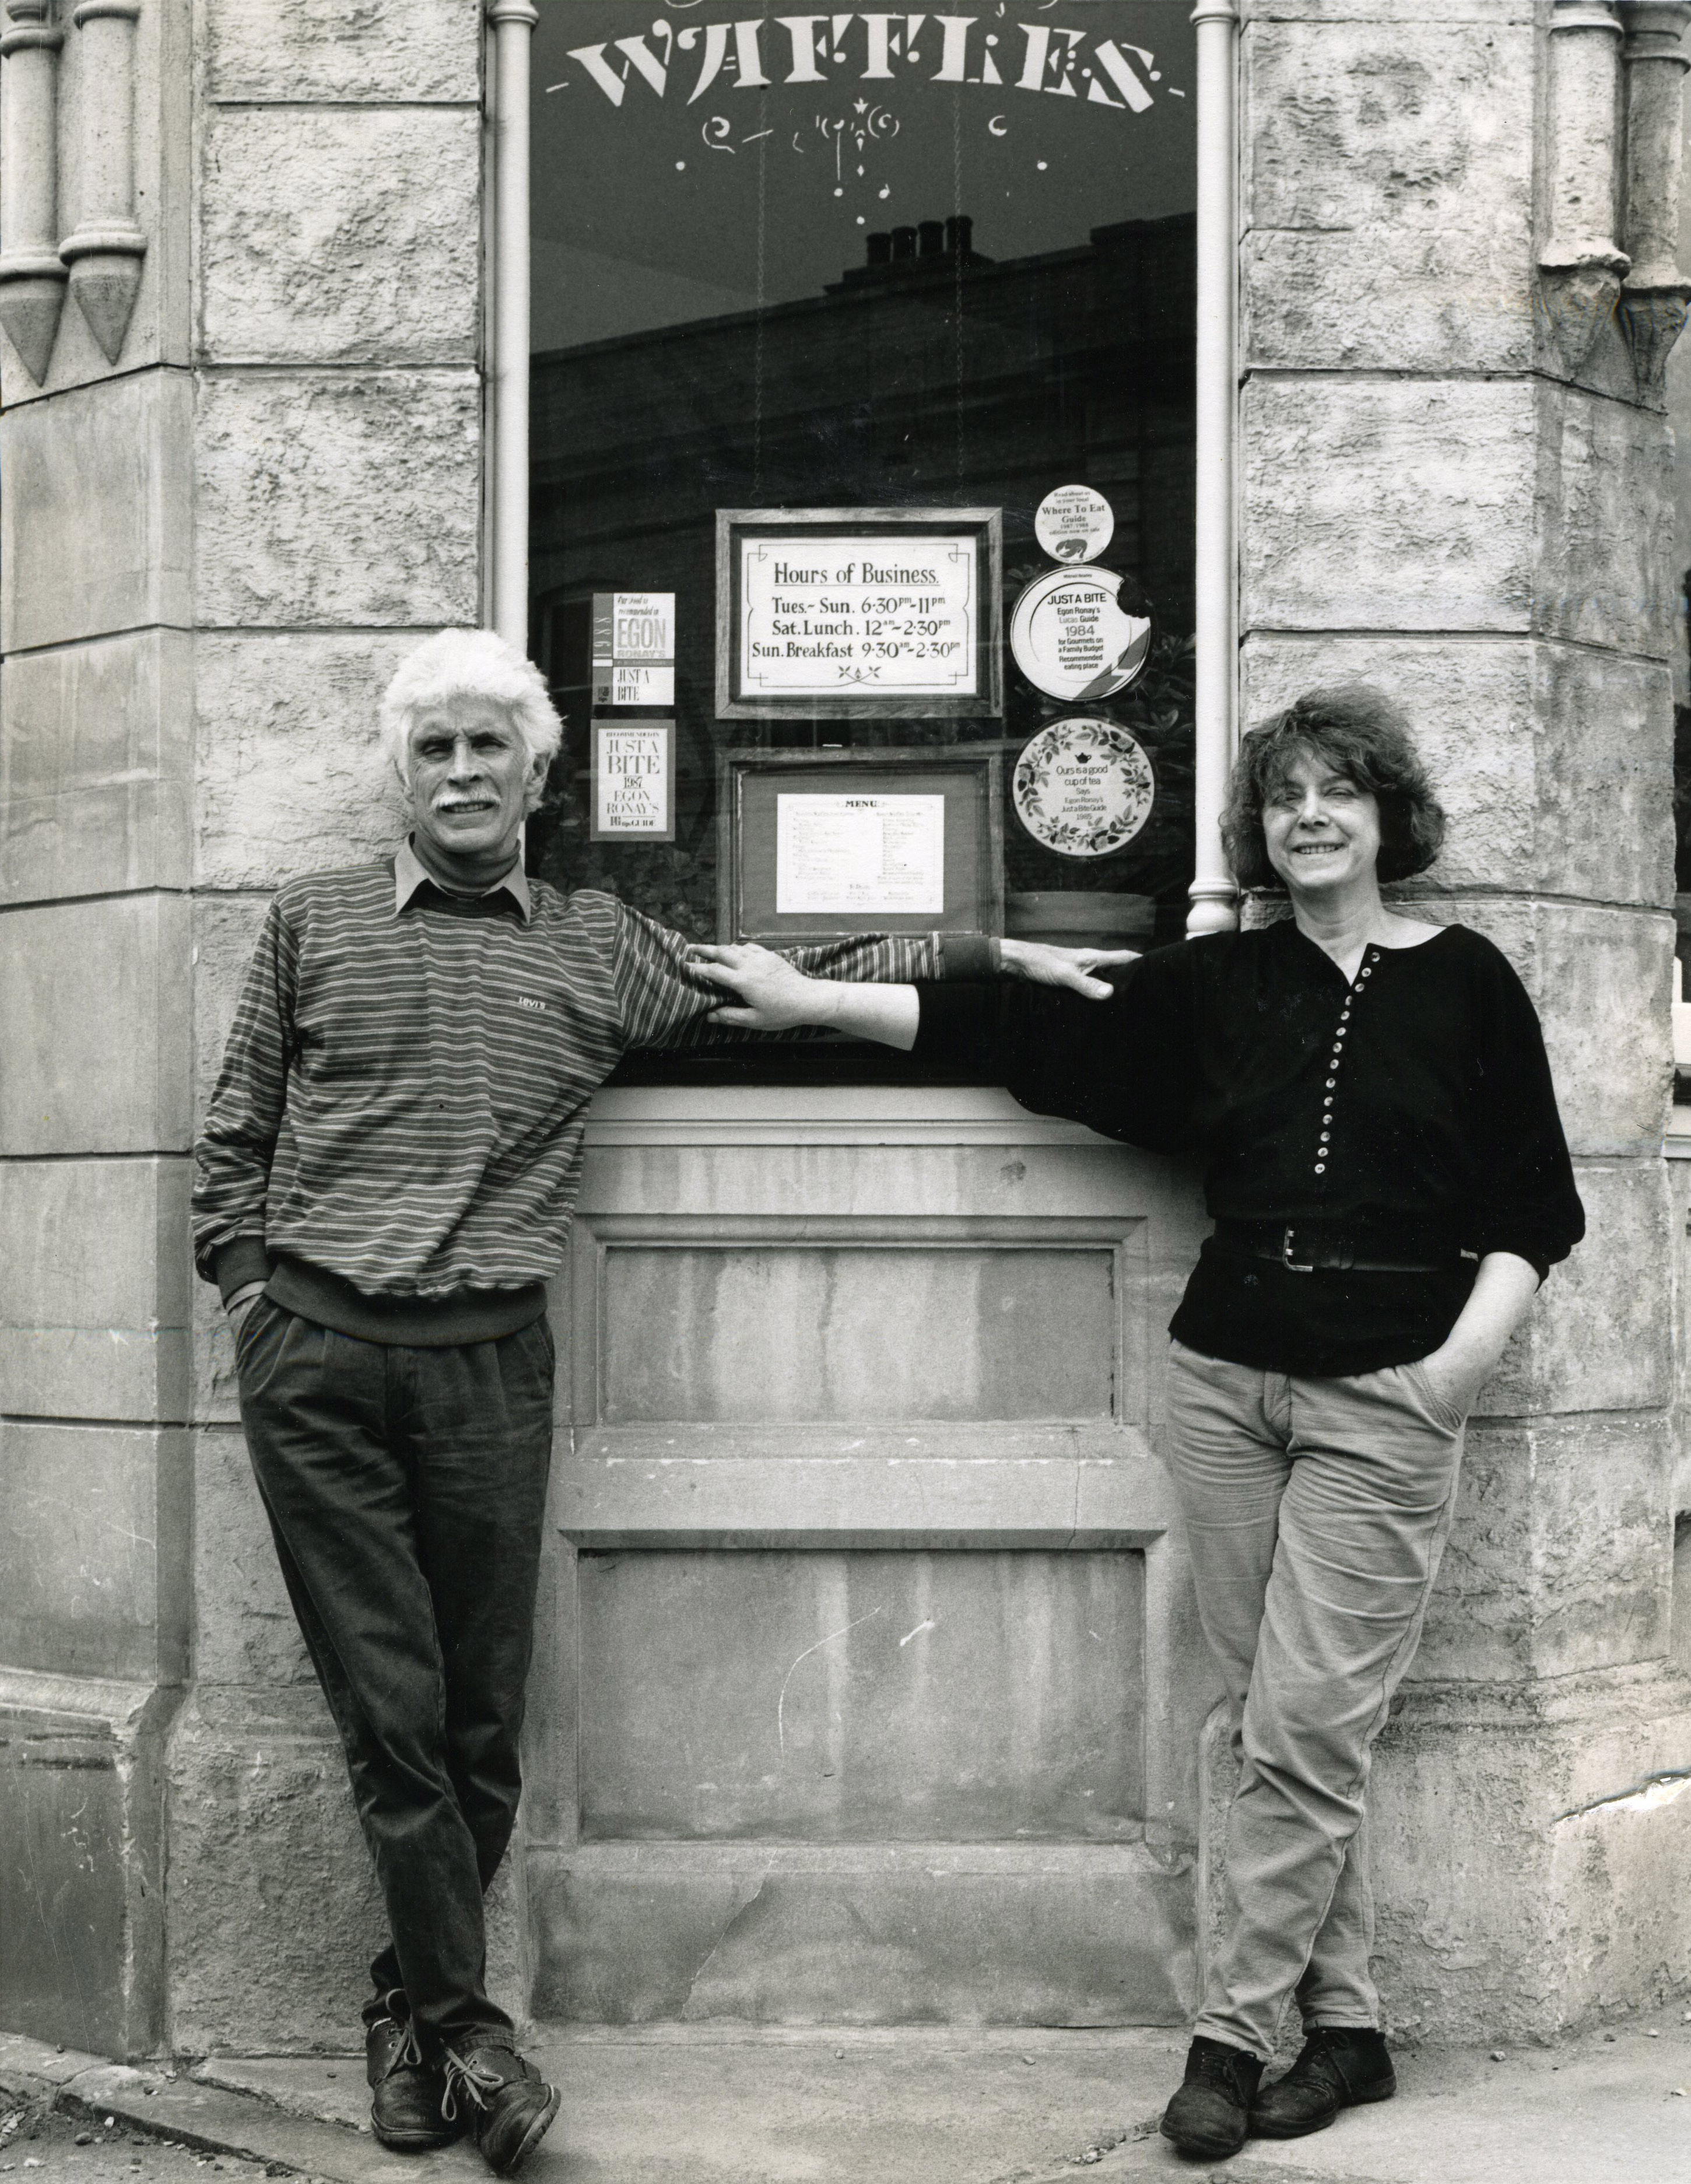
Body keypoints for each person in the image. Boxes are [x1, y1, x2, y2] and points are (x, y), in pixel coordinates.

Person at [190, 627, 1118, 2175]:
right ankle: (475, 2038)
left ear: (544, 779)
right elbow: (236, 1134)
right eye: (436, 749)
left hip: (492, 1364)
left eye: (492, 747)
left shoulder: (594, 944)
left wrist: (996, 952)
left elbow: (798, 982)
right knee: (395, 1712)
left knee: (481, 1725)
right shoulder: (314, 921)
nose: (464, 773)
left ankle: (406, 2018)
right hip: (322, 1366)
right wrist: (248, 1289)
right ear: (400, 776)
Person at [692, 685, 1585, 2162]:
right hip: (1225, 1386)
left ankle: (1230, 2041)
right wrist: (815, 1000)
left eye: (1337, 793)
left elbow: (1532, 1206)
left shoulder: (1469, 980)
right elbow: (1018, 1032)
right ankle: (1347, 2027)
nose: (1309, 816)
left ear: (1386, 818)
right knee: (1283, 1731)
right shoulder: (1217, 983)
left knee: (1305, 1729)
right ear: (1259, 825)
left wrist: (1451, 1374)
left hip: (1385, 1397)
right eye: (1285, 795)